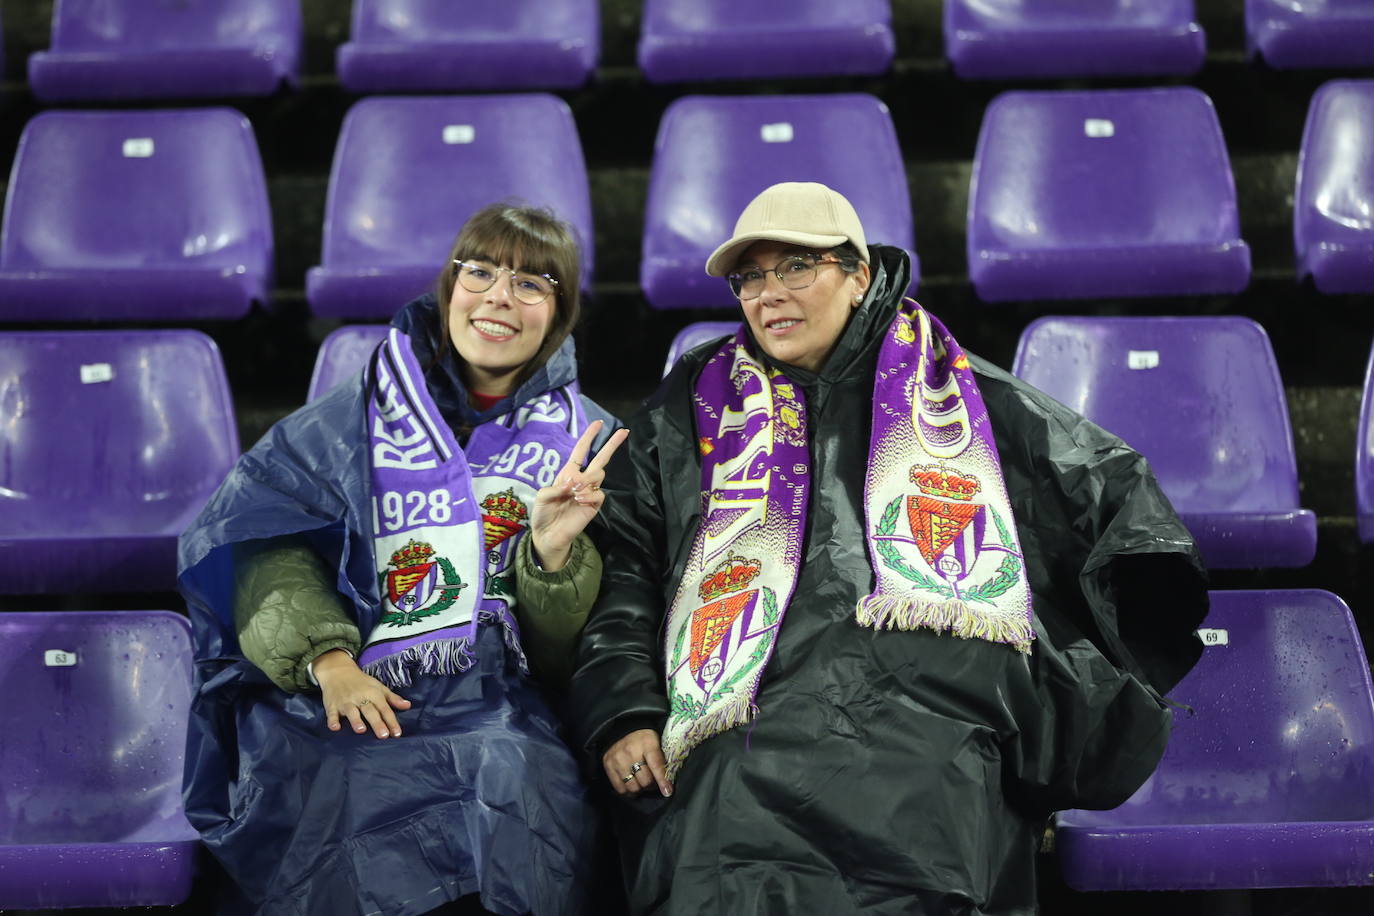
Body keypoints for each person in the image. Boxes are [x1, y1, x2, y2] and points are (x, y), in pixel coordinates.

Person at [567, 182, 1208, 915]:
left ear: (859, 274)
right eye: (751, 277)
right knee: (721, 803)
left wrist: (1048, 683)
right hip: (738, 717)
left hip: (932, 712)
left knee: (929, 793)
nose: (768, 295)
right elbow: (625, 574)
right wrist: (623, 711)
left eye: (796, 268)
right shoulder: (692, 407)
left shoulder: (955, 392)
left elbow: (1119, 510)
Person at [179, 203, 627, 916]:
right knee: (346, 784)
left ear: (560, 312)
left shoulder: (589, 444)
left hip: (503, 697)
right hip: (346, 684)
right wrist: (328, 662)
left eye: (531, 283)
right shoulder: (350, 417)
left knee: (508, 774)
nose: (499, 298)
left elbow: (574, 651)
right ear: (450, 287)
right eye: (479, 272)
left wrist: (550, 555)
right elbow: (272, 552)